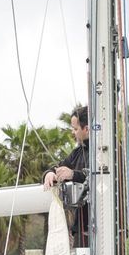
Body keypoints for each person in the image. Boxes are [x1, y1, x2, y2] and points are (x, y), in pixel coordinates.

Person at [41, 104, 90, 245]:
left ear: (86, 129)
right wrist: (49, 174)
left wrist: (74, 175)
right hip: (82, 229)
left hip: (106, 229)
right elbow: (56, 168)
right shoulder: (77, 153)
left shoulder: (107, 152)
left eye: (75, 129)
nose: (73, 133)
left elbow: (102, 178)